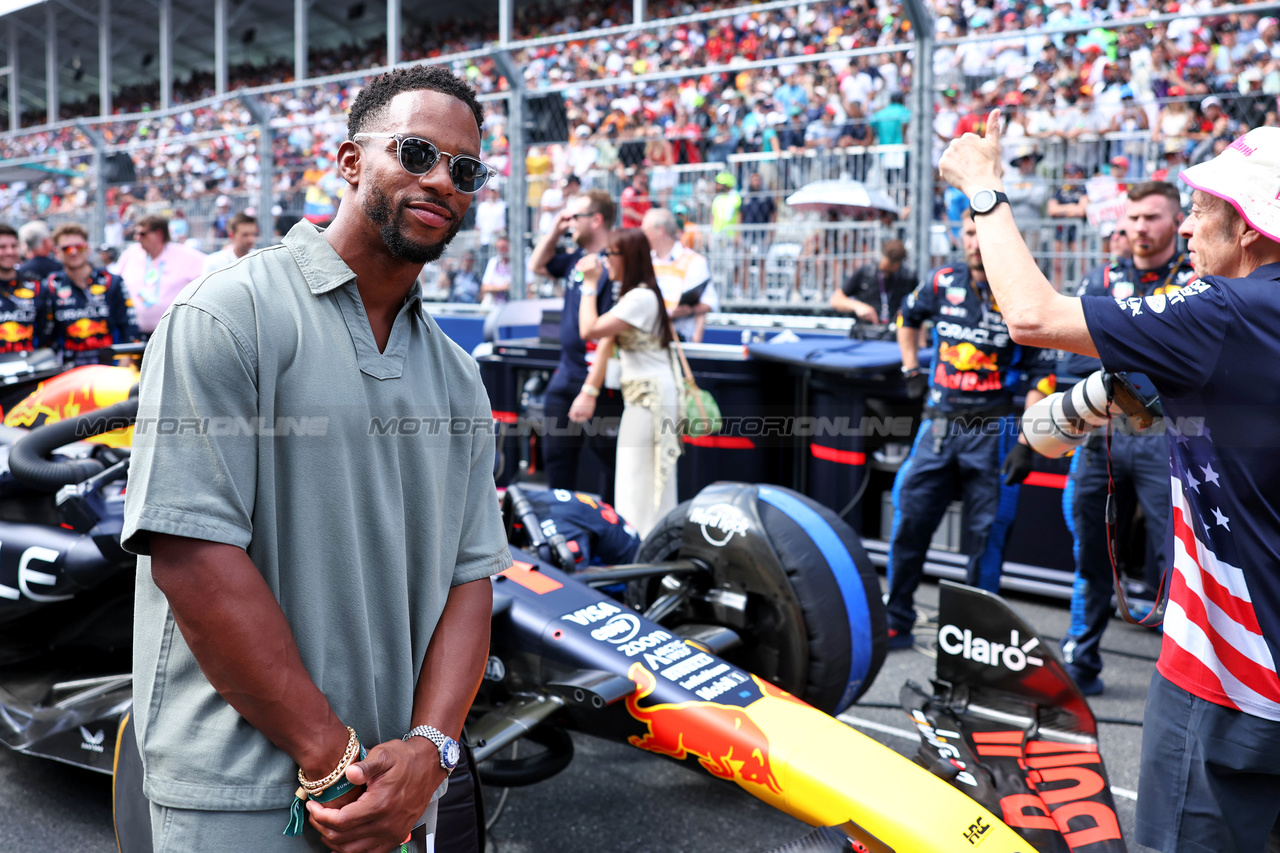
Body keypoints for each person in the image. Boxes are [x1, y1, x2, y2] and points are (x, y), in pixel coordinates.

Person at [121, 65, 510, 853]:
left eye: (464, 170)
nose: (442, 180)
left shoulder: (458, 375)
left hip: (392, 796)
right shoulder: (228, 313)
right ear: (349, 161)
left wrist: (430, 752)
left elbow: (473, 578)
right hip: (244, 796)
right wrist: (332, 757)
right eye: (417, 152)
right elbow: (193, 558)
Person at [942, 115, 1280, 853]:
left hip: (1234, 682)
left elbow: (1030, 315)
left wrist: (982, 188)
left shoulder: (1229, 310)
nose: (1188, 229)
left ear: (1251, 228)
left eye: (1200, 211)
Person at [886, 208, 1053, 651]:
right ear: (960, 237)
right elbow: (907, 317)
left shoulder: (1024, 290)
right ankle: (896, 619)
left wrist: (1026, 441)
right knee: (910, 522)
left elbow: (1043, 372)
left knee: (985, 537)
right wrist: (909, 370)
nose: (976, 242)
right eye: (968, 233)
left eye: (985, 234)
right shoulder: (941, 280)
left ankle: (976, 638)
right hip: (937, 425)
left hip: (993, 430)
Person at [1055, 182, 1197, 697]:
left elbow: (1192, 366)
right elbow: (1070, 359)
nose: (1140, 227)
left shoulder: (1198, 277)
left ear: (1176, 220)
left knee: (1177, 556)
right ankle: (1081, 659)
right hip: (1105, 437)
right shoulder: (1103, 278)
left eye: (1152, 218)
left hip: (1173, 438)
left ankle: (1183, 674)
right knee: (1092, 550)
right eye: (1133, 217)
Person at [574, 228, 681, 539]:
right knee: (638, 475)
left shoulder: (641, 297)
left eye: (611, 254)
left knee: (640, 477)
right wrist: (590, 392)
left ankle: (642, 546)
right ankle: (642, 544)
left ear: (627, 257)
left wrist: (590, 285)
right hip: (646, 396)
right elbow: (606, 340)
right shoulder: (639, 295)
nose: (606, 260)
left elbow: (590, 329)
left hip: (651, 398)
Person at [528, 189, 622, 499]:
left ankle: (611, 533)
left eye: (575, 218)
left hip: (598, 379)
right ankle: (561, 524)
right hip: (565, 373)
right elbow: (537, 265)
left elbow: (609, 334)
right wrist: (555, 230)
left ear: (596, 220)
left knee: (609, 463)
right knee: (556, 456)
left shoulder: (614, 265)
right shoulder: (578, 259)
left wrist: (591, 389)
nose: (570, 224)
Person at [44, 223, 141, 364]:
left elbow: (129, 325)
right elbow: (45, 335)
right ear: (57, 252)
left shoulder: (111, 281)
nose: (73, 252)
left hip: (109, 368)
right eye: (66, 248)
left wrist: (124, 364)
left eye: (79, 247)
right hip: (68, 371)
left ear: (88, 249)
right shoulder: (51, 285)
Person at [114, 215, 207, 334]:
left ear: (159, 234)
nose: (137, 238)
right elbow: (115, 282)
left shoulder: (186, 255)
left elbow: (211, 272)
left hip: (173, 334)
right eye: (136, 233)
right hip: (135, 334)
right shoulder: (131, 254)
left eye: (142, 234)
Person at [641, 208, 716, 343]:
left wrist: (688, 310)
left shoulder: (694, 261)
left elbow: (709, 302)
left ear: (660, 230)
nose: (643, 236)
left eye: (645, 231)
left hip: (679, 340)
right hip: (648, 339)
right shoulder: (644, 261)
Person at [830, 239, 914, 326]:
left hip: (895, 332)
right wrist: (858, 306)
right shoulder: (866, 273)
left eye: (891, 266)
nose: (885, 269)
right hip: (866, 332)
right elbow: (836, 300)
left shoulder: (908, 278)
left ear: (898, 264)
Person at [0, 222, 52, 355]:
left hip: (29, 368)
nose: (9, 252)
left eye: (14, 246)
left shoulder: (36, 287)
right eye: (2, 247)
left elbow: (46, 331)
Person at [479, 234, 511, 307]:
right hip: (495, 304)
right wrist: (502, 288)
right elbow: (485, 287)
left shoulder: (518, 264)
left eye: (504, 248)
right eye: (499, 248)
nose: (501, 251)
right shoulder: (493, 261)